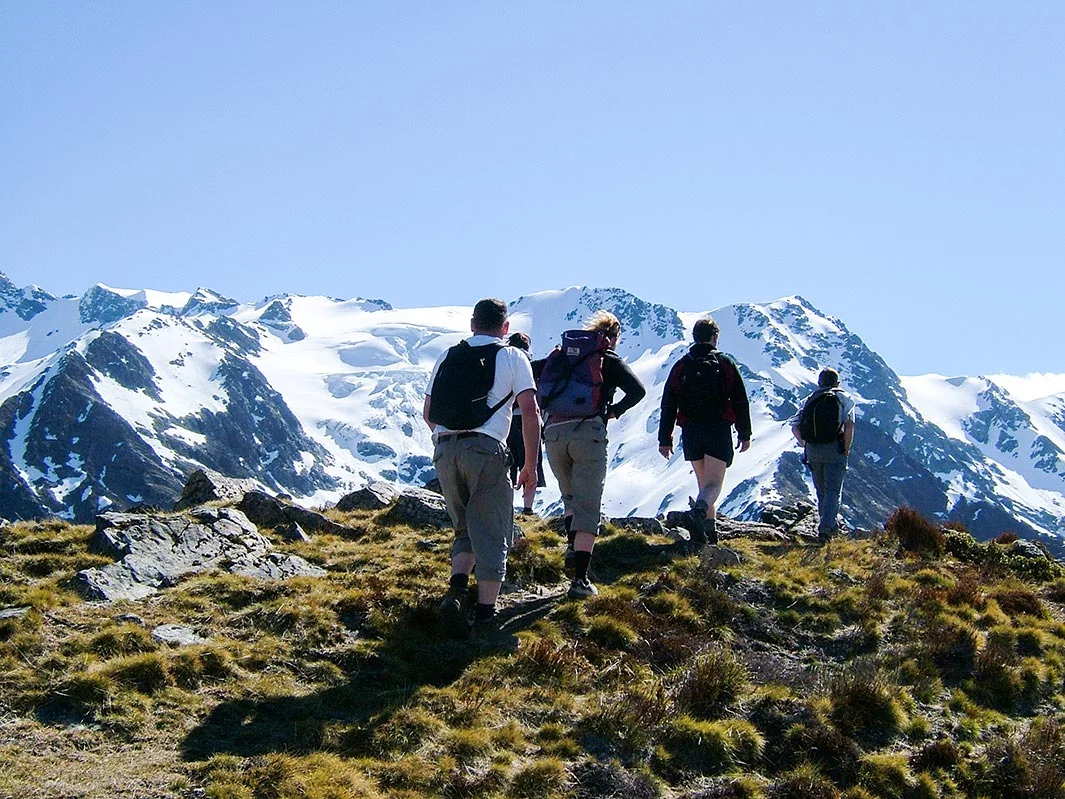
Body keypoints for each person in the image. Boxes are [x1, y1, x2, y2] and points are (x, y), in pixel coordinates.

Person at [423, 299, 540, 637]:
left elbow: (428, 412)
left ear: (472, 323)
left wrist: (451, 439)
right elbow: (530, 412)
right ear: (505, 328)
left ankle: (457, 590)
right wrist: (529, 464)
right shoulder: (513, 356)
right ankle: (486, 617)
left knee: (464, 527)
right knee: (491, 530)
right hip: (486, 450)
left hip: (445, 449)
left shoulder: (448, 355)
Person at [538, 310, 646, 598]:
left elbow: (531, 373)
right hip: (588, 433)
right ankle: (580, 581)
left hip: (554, 433)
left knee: (570, 497)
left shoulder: (561, 356)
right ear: (614, 337)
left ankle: (573, 547)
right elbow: (638, 390)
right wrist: (614, 411)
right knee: (588, 504)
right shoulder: (607, 358)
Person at [658, 317, 752, 550]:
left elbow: (669, 403)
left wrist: (665, 439)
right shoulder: (724, 363)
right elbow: (740, 400)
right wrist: (744, 433)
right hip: (717, 429)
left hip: (691, 431)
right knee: (713, 486)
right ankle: (698, 515)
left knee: (704, 485)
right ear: (715, 337)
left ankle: (708, 535)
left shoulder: (682, 365)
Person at [790, 368, 856, 541]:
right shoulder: (844, 399)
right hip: (835, 449)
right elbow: (849, 426)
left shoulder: (809, 400)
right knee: (833, 490)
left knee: (821, 492)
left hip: (813, 450)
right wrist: (846, 448)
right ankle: (826, 529)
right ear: (837, 383)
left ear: (819, 383)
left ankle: (827, 528)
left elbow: (794, 426)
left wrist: (805, 443)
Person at [506, 332, 546, 514]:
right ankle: (527, 508)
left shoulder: (503, 363)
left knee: (506, 465)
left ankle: (506, 505)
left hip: (505, 421)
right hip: (527, 419)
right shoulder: (532, 367)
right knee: (529, 463)